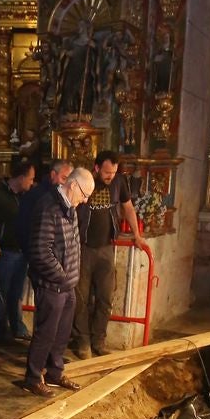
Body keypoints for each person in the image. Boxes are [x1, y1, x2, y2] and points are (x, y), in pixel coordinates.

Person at [24, 167, 96, 398]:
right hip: (52, 284)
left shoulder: (70, 208)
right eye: (84, 194)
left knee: (62, 333)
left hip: (68, 285)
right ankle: (33, 377)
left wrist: (72, 276)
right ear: (73, 185)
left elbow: (73, 243)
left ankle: (55, 372)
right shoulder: (49, 207)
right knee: (46, 333)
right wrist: (62, 275)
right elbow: (40, 251)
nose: (85, 200)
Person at [74, 151, 150, 358]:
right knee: (81, 298)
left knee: (105, 297)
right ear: (96, 168)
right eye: (107, 172)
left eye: (113, 172)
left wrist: (137, 234)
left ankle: (99, 341)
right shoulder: (84, 182)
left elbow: (128, 207)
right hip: (84, 247)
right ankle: (83, 342)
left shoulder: (118, 182)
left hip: (107, 247)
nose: (110, 176)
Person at [0, 158, 36, 343]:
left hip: (22, 252)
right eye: (30, 178)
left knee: (17, 294)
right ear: (21, 178)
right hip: (4, 253)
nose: (32, 183)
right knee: (1, 292)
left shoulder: (26, 197)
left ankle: (17, 328)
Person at [17, 159, 73, 258]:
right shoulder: (35, 197)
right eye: (64, 178)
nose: (66, 184)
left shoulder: (66, 197)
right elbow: (24, 227)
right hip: (37, 257)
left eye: (69, 180)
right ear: (53, 175)